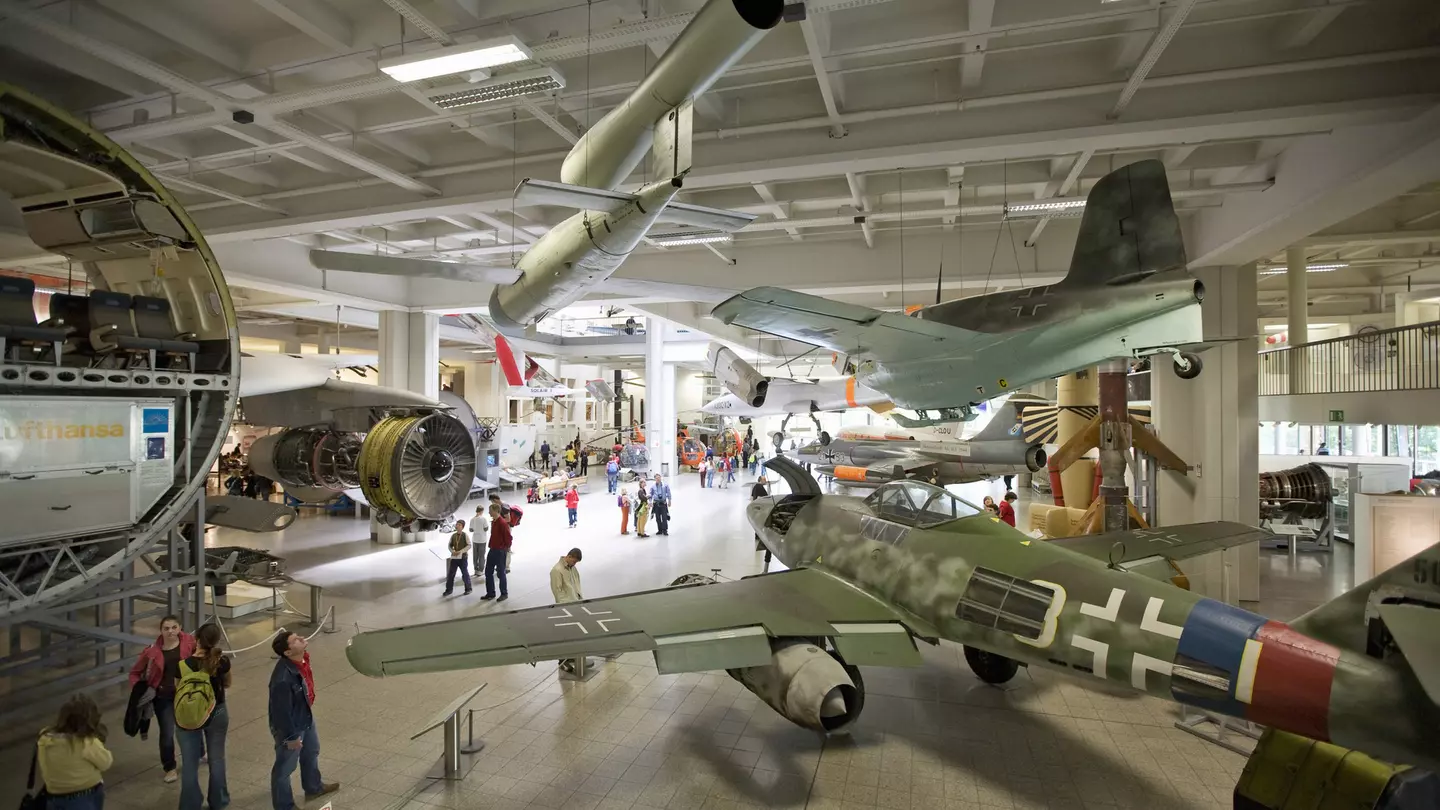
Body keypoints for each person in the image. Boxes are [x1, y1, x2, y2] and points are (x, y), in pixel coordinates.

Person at [268, 630, 339, 810]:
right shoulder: (282, 679)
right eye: (294, 640)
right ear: (288, 652)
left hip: (305, 714)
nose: (301, 638)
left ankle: (313, 787)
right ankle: (284, 806)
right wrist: (291, 738)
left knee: (311, 750)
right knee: (285, 767)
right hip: (291, 726)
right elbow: (281, 713)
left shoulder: (302, 659)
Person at [128, 614, 195, 783]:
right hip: (163, 697)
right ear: (161, 631)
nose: (170, 631)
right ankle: (170, 767)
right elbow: (135, 672)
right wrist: (139, 689)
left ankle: (199, 752)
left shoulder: (189, 643)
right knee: (166, 733)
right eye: (166, 628)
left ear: (180, 628)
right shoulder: (152, 651)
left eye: (174, 627)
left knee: (192, 725)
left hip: (185, 694)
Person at [177, 623, 231, 810]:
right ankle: (218, 800)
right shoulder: (222, 661)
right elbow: (228, 684)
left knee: (190, 763)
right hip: (217, 712)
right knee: (217, 759)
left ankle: (190, 804)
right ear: (216, 640)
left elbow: (179, 689)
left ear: (197, 639)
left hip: (189, 715)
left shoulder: (183, 665)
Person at [36, 693, 112, 810]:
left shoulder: (45, 739)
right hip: (84, 797)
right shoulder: (85, 742)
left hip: (53, 796)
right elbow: (106, 762)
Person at [481, 503, 511, 601]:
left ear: (495, 511)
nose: (489, 512)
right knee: (488, 572)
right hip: (492, 549)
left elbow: (508, 538)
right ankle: (490, 593)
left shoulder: (502, 523)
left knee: (501, 573)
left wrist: (505, 549)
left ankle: (504, 593)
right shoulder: (493, 522)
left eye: (490, 510)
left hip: (500, 551)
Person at [443, 520, 472, 596]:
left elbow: (469, 545)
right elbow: (449, 545)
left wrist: (461, 551)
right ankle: (449, 589)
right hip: (455, 557)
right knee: (451, 574)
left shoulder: (465, 535)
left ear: (462, 527)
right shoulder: (453, 536)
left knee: (465, 573)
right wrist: (452, 551)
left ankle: (468, 588)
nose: (457, 526)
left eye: (459, 525)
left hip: (463, 557)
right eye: (457, 524)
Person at [750, 477, 772, 564]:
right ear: (760, 480)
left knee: (758, 522)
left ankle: (757, 535)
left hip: (756, 508)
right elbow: (765, 497)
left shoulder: (756, 486)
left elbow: (752, 496)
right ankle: (758, 535)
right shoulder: (759, 487)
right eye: (764, 480)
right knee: (760, 522)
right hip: (760, 508)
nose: (765, 481)